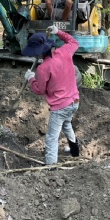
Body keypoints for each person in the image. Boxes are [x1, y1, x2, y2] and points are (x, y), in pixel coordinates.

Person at [22, 25, 80, 166]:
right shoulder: (65, 52)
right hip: (74, 102)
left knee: (51, 138)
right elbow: (74, 42)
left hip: (60, 107)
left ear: (39, 52)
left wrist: (31, 78)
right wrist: (59, 32)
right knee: (67, 125)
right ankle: (75, 151)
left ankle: (50, 168)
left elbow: (39, 90)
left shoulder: (43, 68)